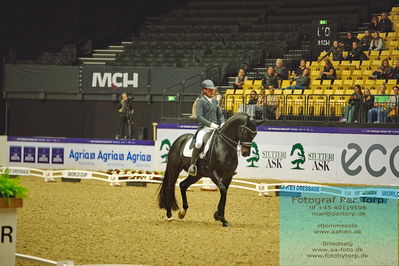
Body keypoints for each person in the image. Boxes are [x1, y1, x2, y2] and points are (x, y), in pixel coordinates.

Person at [188, 79, 225, 176]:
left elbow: (220, 115)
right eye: (209, 90)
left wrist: (223, 123)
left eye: (212, 90)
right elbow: (199, 117)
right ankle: (192, 165)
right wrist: (211, 124)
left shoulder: (215, 101)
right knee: (199, 143)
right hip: (204, 128)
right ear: (204, 90)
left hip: (216, 128)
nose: (212, 91)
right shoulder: (200, 101)